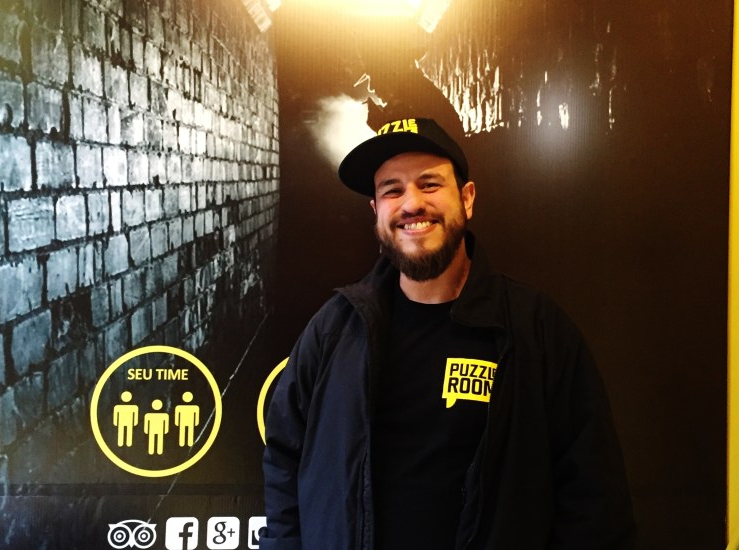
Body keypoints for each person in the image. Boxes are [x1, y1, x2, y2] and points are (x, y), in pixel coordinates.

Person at [262, 117, 635, 550]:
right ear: (376, 211)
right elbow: (284, 460)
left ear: (467, 198)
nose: (411, 204)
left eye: (429, 184)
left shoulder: (536, 329)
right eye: (392, 190)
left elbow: (593, 495)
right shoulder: (335, 329)